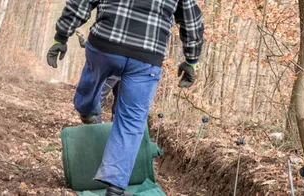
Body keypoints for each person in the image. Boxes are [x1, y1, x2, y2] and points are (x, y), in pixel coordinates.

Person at [47, 0, 203, 195]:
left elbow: (81, 3)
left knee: (89, 87)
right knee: (132, 121)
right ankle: (115, 186)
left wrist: (61, 36)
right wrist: (191, 60)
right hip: (147, 57)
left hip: (105, 45)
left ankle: (87, 109)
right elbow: (192, 20)